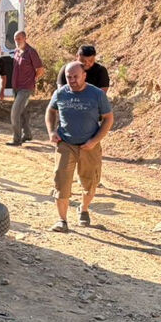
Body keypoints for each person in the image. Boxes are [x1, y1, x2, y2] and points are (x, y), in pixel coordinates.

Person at [45, 61, 113, 230]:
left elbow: (108, 118)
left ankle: (83, 209)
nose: (72, 80)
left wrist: (95, 140)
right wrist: (51, 131)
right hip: (65, 143)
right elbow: (50, 111)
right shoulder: (60, 93)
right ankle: (62, 220)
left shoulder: (96, 94)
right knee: (61, 182)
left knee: (90, 184)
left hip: (89, 145)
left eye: (76, 76)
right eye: (69, 77)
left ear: (84, 76)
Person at [6, 30, 44, 146]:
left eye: (19, 38)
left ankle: (16, 140)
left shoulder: (31, 52)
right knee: (22, 112)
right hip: (16, 87)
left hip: (26, 88)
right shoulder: (17, 51)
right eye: (15, 39)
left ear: (25, 38)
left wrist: (32, 79)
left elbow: (40, 70)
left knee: (15, 112)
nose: (17, 41)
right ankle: (27, 134)